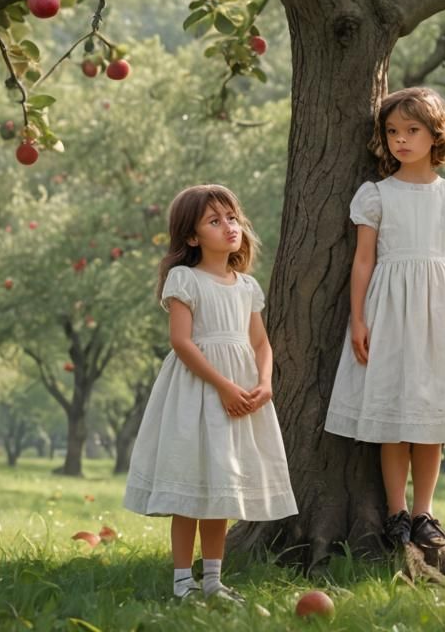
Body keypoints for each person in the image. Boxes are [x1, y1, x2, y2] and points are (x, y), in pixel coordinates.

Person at [325, 86, 445, 550]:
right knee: (394, 414)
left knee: (430, 417)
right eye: (392, 131)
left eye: (412, 130)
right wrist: (358, 319)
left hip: (439, 314)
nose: (401, 139)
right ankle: (396, 512)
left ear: (436, 134)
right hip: (389, 311)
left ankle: (425, 513)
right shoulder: (377, 195)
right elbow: (363, 260)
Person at [124, 184, 297, 602]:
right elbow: (182, 342)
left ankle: (214, 580)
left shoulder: (246, 286)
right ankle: (182, 582)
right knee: (190, 486)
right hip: (198, 391)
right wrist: (223, 385)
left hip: (241, 394)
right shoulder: (185, 279)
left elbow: (261, 343)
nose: (229, 227)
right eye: (214, 221)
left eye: (232, 218)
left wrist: (264, 383)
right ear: (191, 236)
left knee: (221, 487)